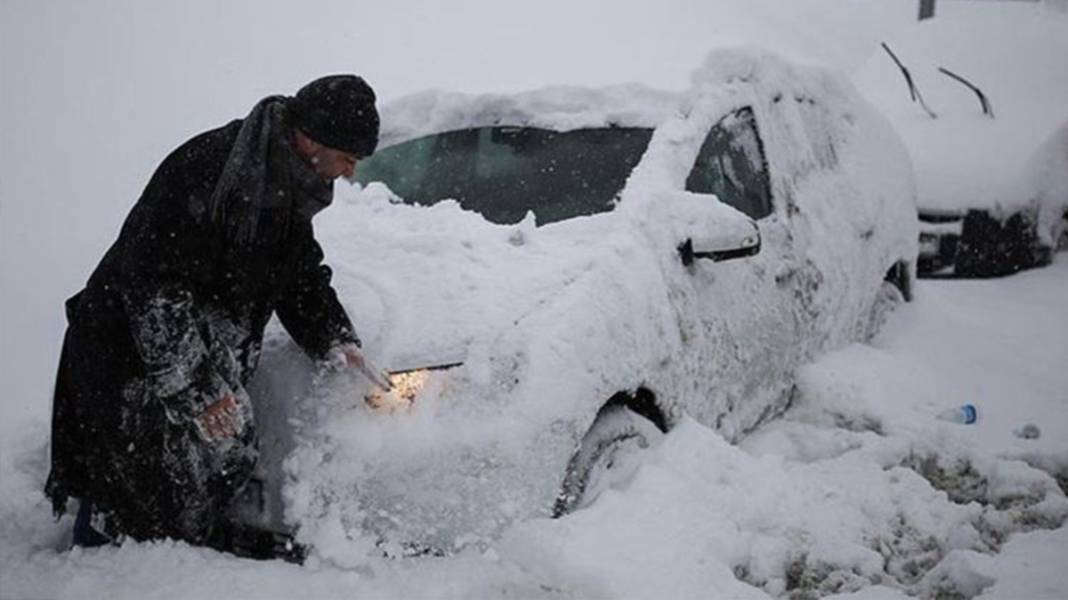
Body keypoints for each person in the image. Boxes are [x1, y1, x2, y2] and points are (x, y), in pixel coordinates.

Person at [45, 74, 388, 559]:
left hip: (188, 351)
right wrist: (200, 390)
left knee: (206, 468)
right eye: (348, 159)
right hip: (130, 355)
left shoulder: (287, 182)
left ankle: (174, 557)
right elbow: (154, 292)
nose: (350, 173)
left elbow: (297, 273)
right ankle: (99, 570)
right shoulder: (210, 171)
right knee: (130, 490)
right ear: (311, 140)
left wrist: (335, 338)